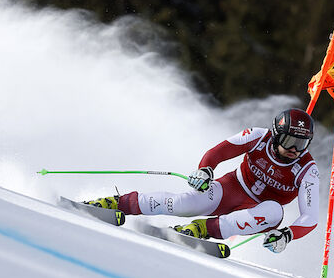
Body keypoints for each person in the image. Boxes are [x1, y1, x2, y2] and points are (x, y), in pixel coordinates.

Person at [84, 108, 320, 253]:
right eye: (289, 142)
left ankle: (200, 230)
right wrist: (205, 171)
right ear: (277, 135)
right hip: (232, 188)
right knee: (184, 204)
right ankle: (117, 203)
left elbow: (310, 218)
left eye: (302, 144)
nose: (294, 150)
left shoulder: (307, 169)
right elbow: (218, 152)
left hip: (257, 211)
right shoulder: (258, 137)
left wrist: (286, 235)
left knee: (275, 212)